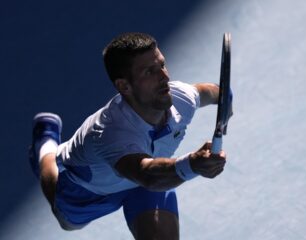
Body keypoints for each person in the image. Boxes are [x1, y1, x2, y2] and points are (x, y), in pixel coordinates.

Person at [29, 32, 228, 240]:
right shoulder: (110, 132)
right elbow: (146, 174)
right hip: (87, 189)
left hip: (150, 181)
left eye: (162, 65)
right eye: (150, 72)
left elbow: (208, 91)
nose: (164, 77)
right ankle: (45, 143)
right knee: (67, 223)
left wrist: (224, 97)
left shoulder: (180, 97)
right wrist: (192, 164)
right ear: (124, 86)